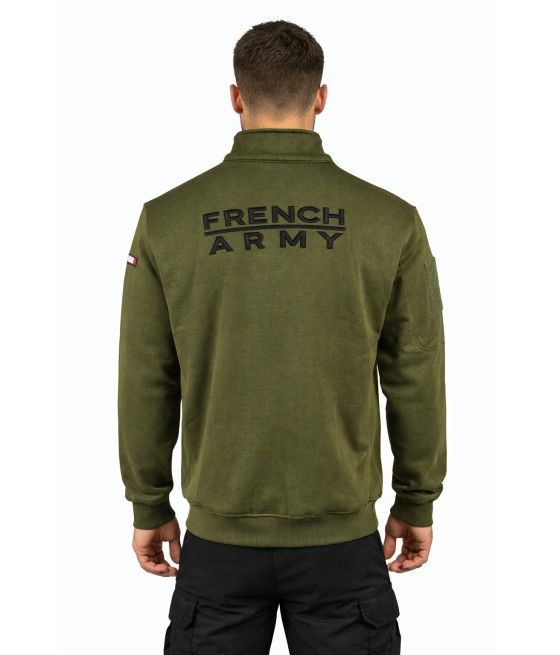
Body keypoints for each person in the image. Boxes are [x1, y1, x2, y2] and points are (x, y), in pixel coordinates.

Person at [118, 19, 447, 655]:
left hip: (217, 547)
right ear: (320, 97)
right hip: (342, 547)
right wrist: (417, 498)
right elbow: (416, 371)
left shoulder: (166, 221)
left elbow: (145, 374)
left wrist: (148, 504)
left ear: (235, 97)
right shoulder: (392, 222)